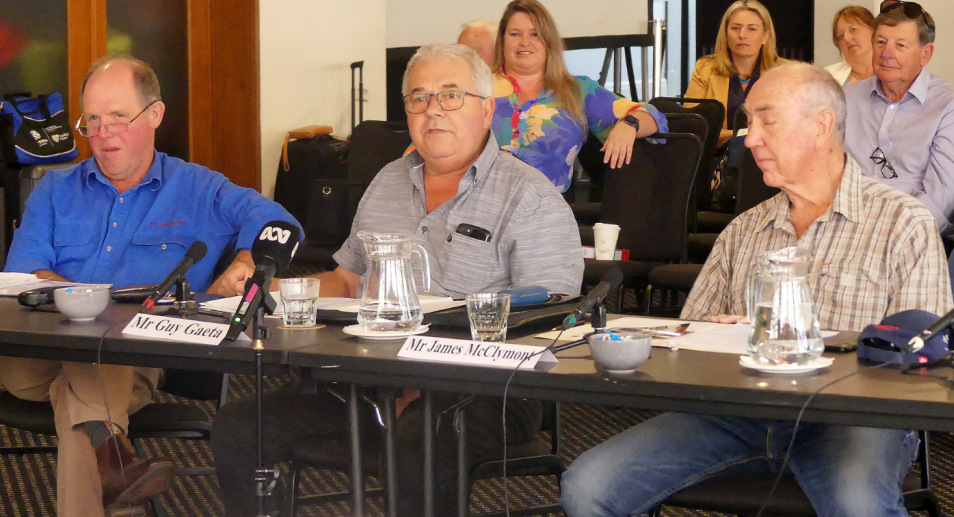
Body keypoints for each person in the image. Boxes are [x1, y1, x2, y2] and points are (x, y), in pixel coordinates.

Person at [560, 63, 951, 517]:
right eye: (749, 121)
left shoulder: (902, 223)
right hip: (740, 413)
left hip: (856, 417)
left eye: (768, 120)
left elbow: (925, 361)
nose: (750, 137)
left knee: (857, 503)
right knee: (589, 485)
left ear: (822, 126)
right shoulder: (745, 230)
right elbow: (686, 345)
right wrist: (721, 338)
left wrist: (805, 341)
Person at [211, 43, 584, 516]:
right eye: (419, 98)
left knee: (420, 434)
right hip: (371, 380)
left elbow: (551, 315)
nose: (433, 111)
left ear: (487, 110)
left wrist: (439, 359)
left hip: (484, 390)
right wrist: (263, 290)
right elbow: (347, 281)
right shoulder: (387, 181)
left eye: (451, 96)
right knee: (241, 425)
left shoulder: (529, 196)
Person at [0, 55, 299, 516]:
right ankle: (111, 459)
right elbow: (24, 274)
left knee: (100, 360)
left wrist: (245, 260)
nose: (103, 134)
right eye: (93, 121)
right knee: (93, 359)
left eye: (118, 117)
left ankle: (110, 463)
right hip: (34, 355)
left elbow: (281, 223)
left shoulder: (200, 188)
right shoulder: (54, 189)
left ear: (155, 115)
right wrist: (88, 304)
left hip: (135, 356)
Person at [842, 2, 954, 301]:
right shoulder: (847, 98)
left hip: (909, 237)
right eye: (880, 42)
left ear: (925, 53)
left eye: (900, 44)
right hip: (841, 231)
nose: (886, 52)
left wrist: (886, 236)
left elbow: (941, 197)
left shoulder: (949, 104)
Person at [489, 0, 668, 191]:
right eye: (515, 34)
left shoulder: (578, 91)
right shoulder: (478, 86)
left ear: (549, 42)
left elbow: (655, 118)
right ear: (502, 41)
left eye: (535, 34)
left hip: (547, 213)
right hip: (479, 211)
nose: (524, 42)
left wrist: (629, 124)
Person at [686, 0, 784, 147]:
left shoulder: (785, 72)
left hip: (771, 158)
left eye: (751, 29)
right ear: (726, 33)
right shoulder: (705, 70)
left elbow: (790, 127)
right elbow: (691, 125)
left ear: (765, 36)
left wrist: (729, 135)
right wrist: (741, 136)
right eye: (736, 28)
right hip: (716, 162)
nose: (742, 35)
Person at [825, 6, 875, 85]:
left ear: (874, 30)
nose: (846, 39)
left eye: (853, 29)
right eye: (840, 36)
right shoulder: (826, 78)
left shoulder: (896, 72)